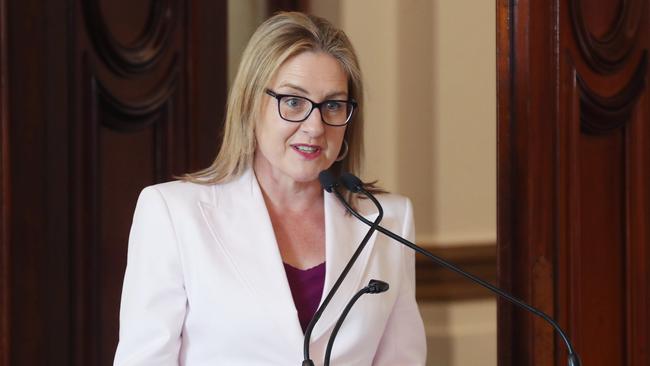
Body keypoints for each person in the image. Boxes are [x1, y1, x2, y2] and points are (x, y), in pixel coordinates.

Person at [113, 11, 426, 366]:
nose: (314, 126)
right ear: (250, 105)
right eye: (293, 101)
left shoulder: (388, 220)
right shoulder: (172, 213)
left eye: (333, 105)